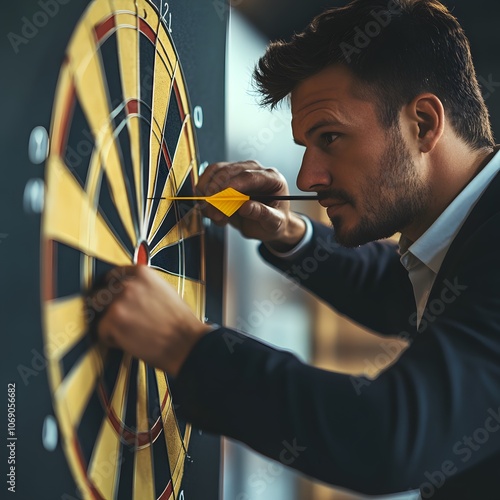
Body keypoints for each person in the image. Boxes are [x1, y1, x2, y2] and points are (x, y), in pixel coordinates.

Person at [96, 0, 500, 497]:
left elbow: (387, 438)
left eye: (330, 137)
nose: (308, 177)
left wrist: (185, 347)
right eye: (306, 145)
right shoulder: (471, 233)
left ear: (423, 123)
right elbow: (400, 291)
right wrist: (284, 232)